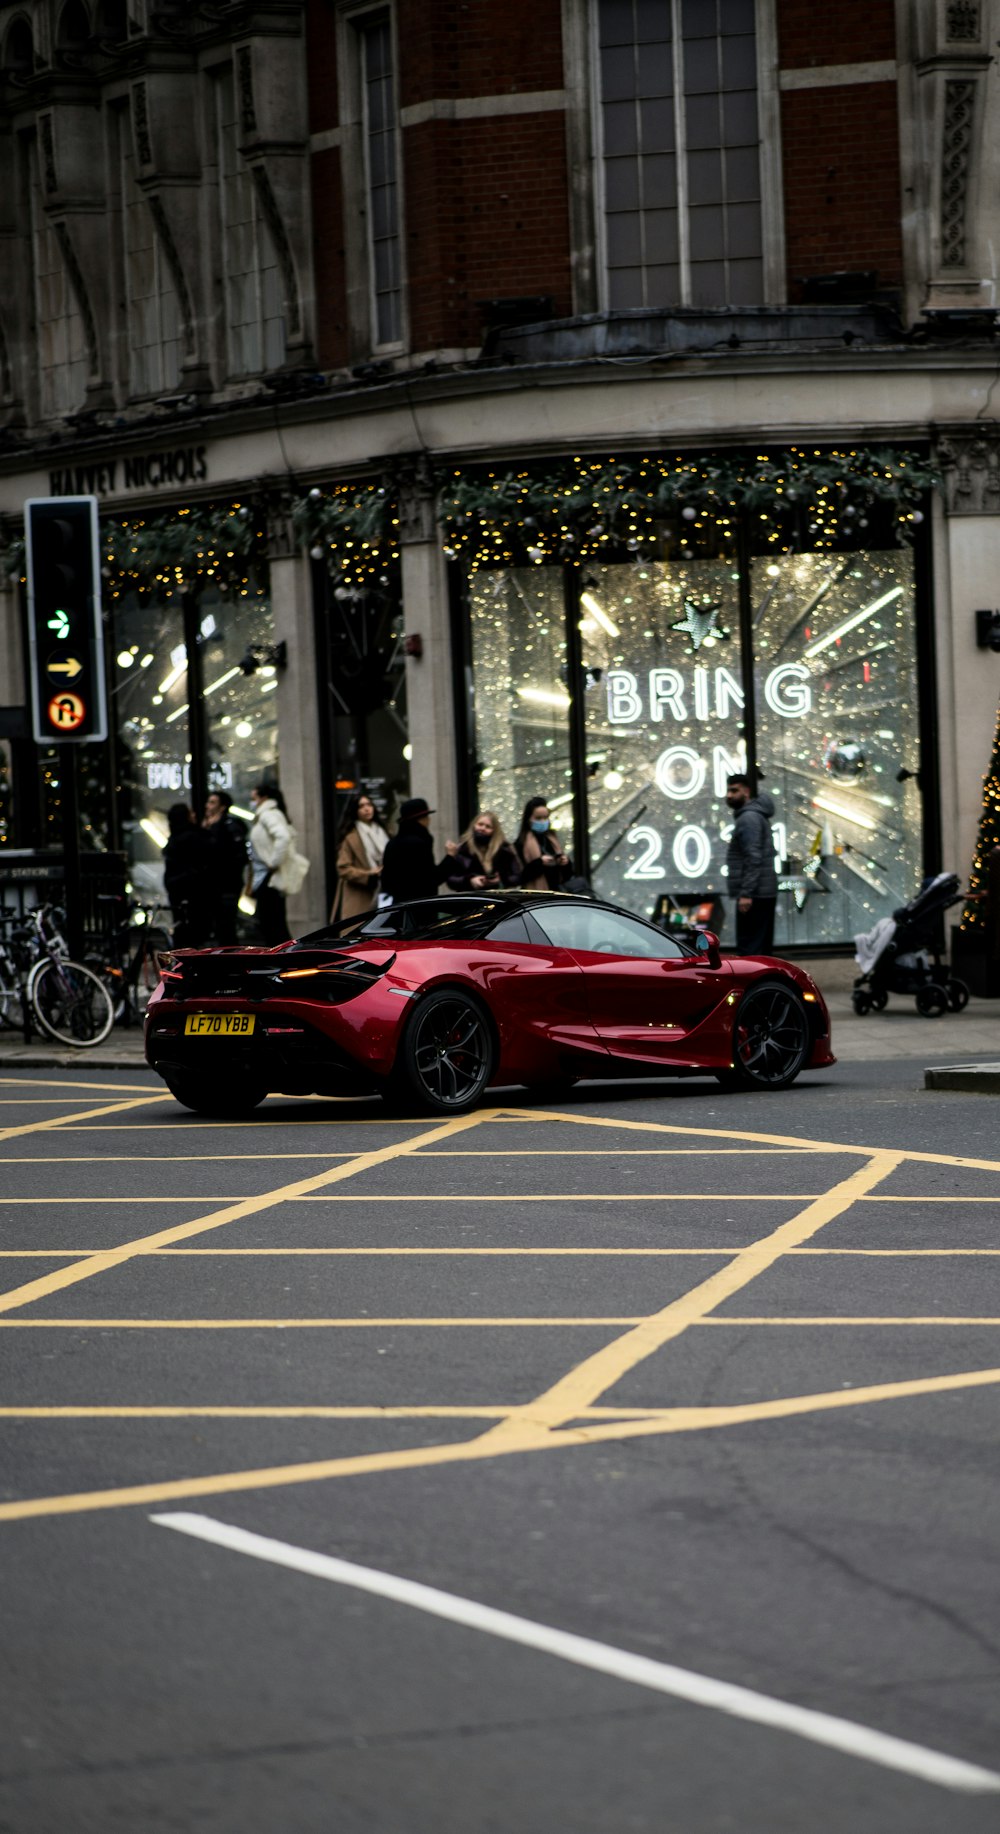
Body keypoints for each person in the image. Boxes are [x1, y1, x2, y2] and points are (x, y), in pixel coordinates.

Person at [725, 773, 778, 954]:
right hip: (760, 892)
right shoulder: (753, 816)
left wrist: (746, 893)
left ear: (747, 792)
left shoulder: (749, 818)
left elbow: (753, 857)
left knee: (751, 949)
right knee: (759, 948)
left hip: (755, 894)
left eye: (734, 790)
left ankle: (757, 982)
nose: (729, 795)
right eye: (728, 790)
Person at [379, 796, 457, 904]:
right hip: (420, 908)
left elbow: (386, 882)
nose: (429, 820)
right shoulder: (419, 844)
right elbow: (432, 880)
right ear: (422, 819)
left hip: (398, 907)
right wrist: (450, 856)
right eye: (427, 817)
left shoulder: (392, 843)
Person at [246, 782, 294, 945]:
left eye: (254, 798)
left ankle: (285, 960)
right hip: (266, 876)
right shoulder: (265, 815)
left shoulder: (268, 815)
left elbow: (283, 837)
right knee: (272, 923)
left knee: (271, 923)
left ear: (263, 798)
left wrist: (274, 862)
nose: (252, 802)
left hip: (269, 877)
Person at [330, 791, 390, 922]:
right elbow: (343, 868)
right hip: (359, 894)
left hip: (384, 890)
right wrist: (368, 874)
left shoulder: (383, 831)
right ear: (355, 811)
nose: (367, 809)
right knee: (358, 933)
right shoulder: (350, 837)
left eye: (369, 804)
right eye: (361, 806)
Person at [162, 802, 212, 947]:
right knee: (194, 932)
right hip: (192, 891)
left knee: (182, 929)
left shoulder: (175, 837)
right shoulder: (194, 837)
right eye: (191, 813)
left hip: (176, 888)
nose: (194, 815)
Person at [202, 788, 247, 944]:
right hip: (213, 885)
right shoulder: (207, 826)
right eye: (208, 802)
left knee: (227, 925)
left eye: (212, 802)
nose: (208, 806)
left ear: (222, 806)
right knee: (219, 926)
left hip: (227, 885)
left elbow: (234, 856)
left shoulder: (229, 826)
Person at [447, 810, 521, 892]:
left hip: (498, 897)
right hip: (470, 898)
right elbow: (451, 879)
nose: (482, 829)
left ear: (494, 831)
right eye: (480, 824)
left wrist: (501, 879)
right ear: (474, 825)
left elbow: (517, 876)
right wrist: (470, 880)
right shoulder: (462, 850)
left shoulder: (505, 851)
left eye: (488, 827)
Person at [516, 795, 572, 891]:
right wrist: (540, 863)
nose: (542, 821)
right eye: (538, 818)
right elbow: (518, 877)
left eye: (545, 817)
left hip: (557, 892)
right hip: (536, 896)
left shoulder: (552, 839)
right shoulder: (521, 843)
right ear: (528, 819)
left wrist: (565, 862)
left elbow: (568, 875)